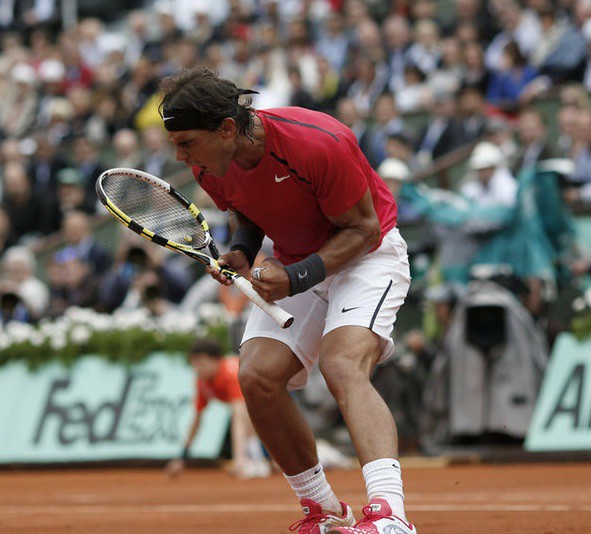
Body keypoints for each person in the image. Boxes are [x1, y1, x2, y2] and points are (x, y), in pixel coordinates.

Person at [159, 66, 415, 534]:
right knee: (256, 378)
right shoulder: (208, 164)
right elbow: (246, 211)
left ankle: (390, 514)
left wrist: (295, 277)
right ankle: (323, 509)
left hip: (366, 256)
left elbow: (363, 229)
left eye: (187, 143)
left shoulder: (317, 142)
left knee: (342, 365)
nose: (180, 157)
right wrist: (241, 250)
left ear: (228, 128)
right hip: (295, 260)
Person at [165, 337, 271, 480]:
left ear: (216, 360)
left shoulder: (231, 373)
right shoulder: (202, 382)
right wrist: (181, 458)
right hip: (258, 409)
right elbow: (196, 420)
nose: (197, 368)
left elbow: (239, 417)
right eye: (194, 363)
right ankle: (257, 460)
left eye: (201, 363)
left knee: (246, 412)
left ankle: (254, 459)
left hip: (272, 400)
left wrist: (238, 459)